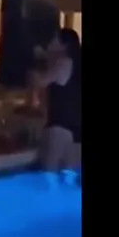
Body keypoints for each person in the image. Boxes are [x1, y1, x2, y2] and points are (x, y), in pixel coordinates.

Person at [12, 0, 74, 113]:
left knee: (45, 59)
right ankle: (32, 100)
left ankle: (42, 103)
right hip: (32, 14)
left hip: (45, 15)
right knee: (32, 58)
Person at [37, 27, 81, 172]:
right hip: (76, 134)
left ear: (64, 45)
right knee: (68, 177)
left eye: (55, 39)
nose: (51, 42)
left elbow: (39, 81)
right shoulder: (75, 65)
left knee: (49, 176)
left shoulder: (64, 63)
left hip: (59, 129)